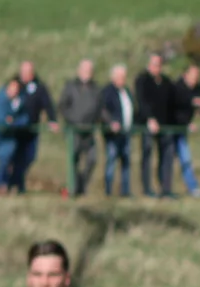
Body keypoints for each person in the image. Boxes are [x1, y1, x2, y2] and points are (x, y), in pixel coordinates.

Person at [58, 58, 100, 198]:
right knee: (73, 160)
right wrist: (73, 119)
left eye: (90, 70)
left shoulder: (95, 88)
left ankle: (82, 184)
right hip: (74, 131)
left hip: (89, 131)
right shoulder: (70, 86)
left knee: (92, 159)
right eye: (85, 70)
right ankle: (74, 188)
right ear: (79, 71)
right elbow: (63, 106)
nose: (87, 73)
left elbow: (100, 108)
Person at [8, 60, 52, 192]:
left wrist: (52, 120)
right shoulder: (14, 84)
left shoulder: (39, 86)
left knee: (29, 157)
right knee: (15, 158)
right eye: (23, 72)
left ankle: (17, 183)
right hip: (16, 130)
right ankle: (14, 185)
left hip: (32, 130)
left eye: (28, 72)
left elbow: (47, 104)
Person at [134, 52, 171, 199]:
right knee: (147, 155)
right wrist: (149, 119)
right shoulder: (142, 80)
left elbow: (171, 102)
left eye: (159, 64)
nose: (157, 67)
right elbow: (141, 101)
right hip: (147, 125)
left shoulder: (165, 82)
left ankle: (165, 188)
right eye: (155, 64)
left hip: (164, 125)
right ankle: (147, 188)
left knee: (166, 156)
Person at [164, 62, 200, 197]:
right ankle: (166, 190)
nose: (195, 78)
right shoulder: (177, 88)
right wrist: (186, 123)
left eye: (197, 76)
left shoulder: (197, 88)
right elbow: (173, 110)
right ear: (185, 75)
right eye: (193, 75)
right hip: (171, 129)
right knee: (168, 160)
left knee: (186, 159)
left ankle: (192, 187)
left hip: (182, 131)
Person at [99, 63, 135, 198]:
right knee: (111, 160)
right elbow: (102, 110)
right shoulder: (107, 91)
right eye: (120, 76)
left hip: (126, 132)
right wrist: (111, 123)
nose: (122, 79)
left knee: (126, 161)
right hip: (112, 134)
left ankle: (125, 190)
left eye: (124, 77)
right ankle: (108, 190)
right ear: (113, 77)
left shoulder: (126, 91)